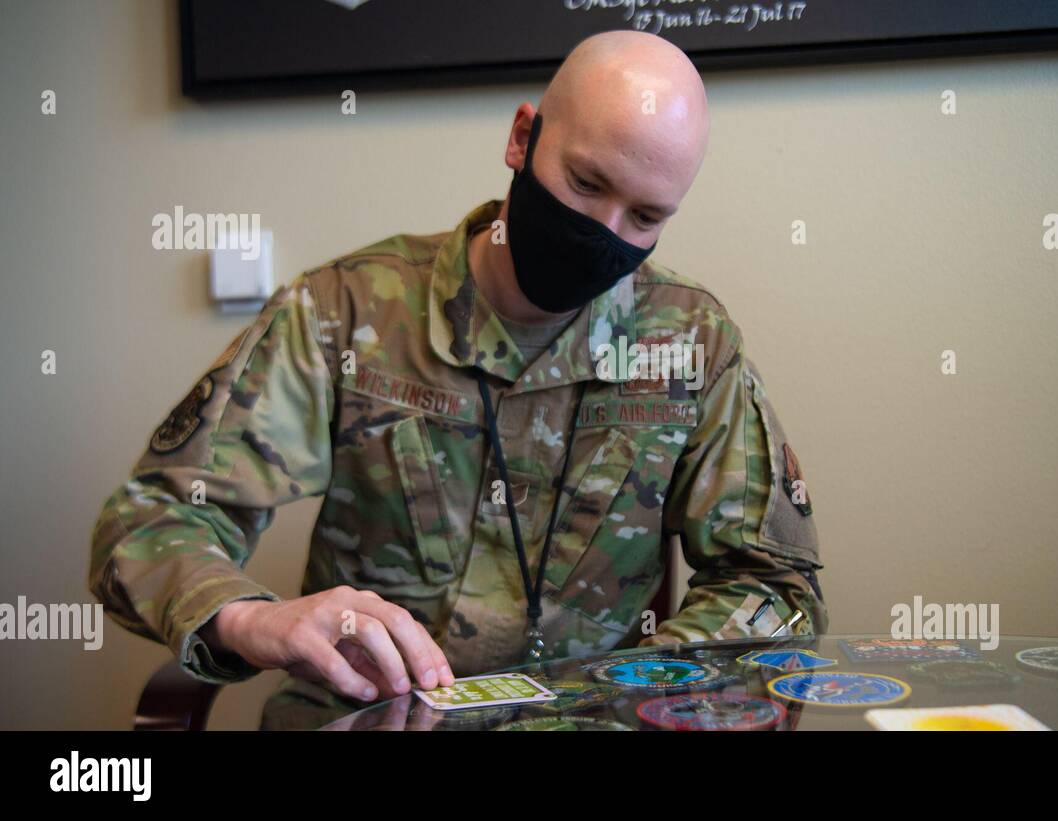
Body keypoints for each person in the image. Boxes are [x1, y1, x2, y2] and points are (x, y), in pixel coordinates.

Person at [89, 30, 827, 730]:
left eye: (644, 216)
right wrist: (250, 619)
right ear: (522, 138)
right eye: (584, 182)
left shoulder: (689, 342)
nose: (605, 229)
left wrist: (641, 691)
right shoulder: (345, 313)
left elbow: (773, 583)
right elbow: (151, 521)